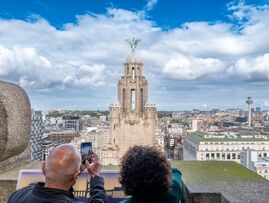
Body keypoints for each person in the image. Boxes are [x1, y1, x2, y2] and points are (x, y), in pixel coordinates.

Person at [7, 143, 107, 203]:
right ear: (76, 177)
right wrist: (95, 176)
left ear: (43, 168)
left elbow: (38, 189)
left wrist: (75, 171)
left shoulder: (17, 195)